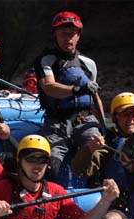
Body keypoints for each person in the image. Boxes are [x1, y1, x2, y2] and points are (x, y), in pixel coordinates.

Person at [71, 92, 134, 219]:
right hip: (121, 209)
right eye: (125, 114)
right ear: (115, 117)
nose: (130, 119)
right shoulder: (107, 144)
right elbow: (79, 170)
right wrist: (89, 149)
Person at [34, 11, 104, 182]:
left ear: (78, 36)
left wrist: (104, 126)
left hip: (85, 120)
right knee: (51, 166)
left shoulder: (88, 64)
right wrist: (77, 90)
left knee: (99, 153)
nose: (68, 38)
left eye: (72, 33)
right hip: (56, 122)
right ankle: (45, 194)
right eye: (63, 33)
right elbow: (49, 87)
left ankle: (99, 192)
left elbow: (96, 97)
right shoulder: (46, 59)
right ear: (55, 34)